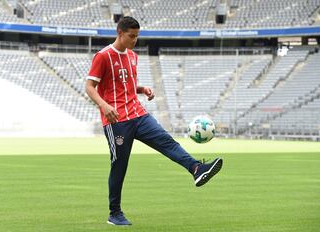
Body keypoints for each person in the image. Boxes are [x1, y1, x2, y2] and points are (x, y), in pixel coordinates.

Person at [85, 16, 223, 226]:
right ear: (119, 33)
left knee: (166, 141)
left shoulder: (133, 56)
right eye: (131, 36)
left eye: (137, 36)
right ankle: (114, 213)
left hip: (138, 114)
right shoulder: (103, 56)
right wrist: (104, 105)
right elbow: (89, 87)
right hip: (116, 121)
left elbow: (126, 85)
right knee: (119, 165)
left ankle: (196, 169)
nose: (134, 41)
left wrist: (141, 89)